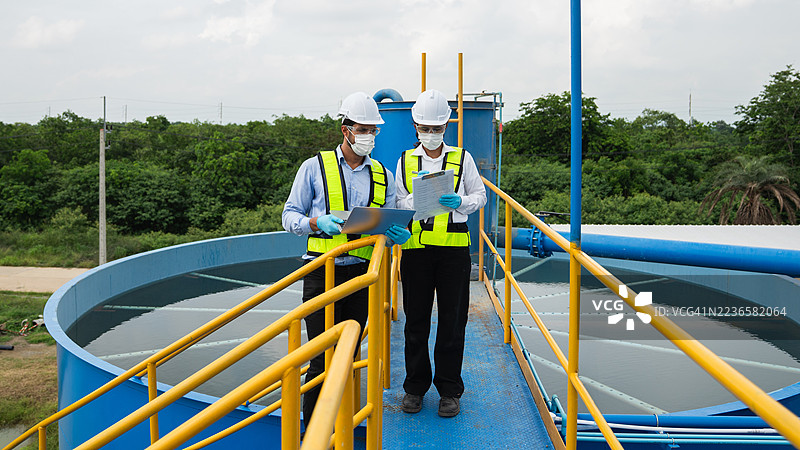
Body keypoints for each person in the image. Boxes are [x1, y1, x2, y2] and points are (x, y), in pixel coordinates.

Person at [282, 91, 410, 423]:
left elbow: (389, 218)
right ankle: (311, 431)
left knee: (350, 355)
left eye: (373, 130)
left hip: (361, 276)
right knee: (322, 359)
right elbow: (289, 216)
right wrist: (314, 222)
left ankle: (342, 423)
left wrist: (397, 234)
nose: (369, 136)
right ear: (346, 129)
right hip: (321, 273)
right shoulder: (314, 167)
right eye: (364, 129)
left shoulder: (383, 173)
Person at [395, 89, 487, 418]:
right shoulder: (405, 160)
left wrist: (460, 202)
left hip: (453, 254)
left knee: (452, 322)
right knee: (415, 322)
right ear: (415, 125)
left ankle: (449, 390)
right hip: (416, 252)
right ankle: (414, 388)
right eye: (425, 128)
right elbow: (398, 201)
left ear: (445, 126)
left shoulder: (463, 159)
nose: (431, 134)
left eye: (436, 129)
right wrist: (418, 201)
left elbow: (480, 195)